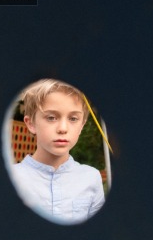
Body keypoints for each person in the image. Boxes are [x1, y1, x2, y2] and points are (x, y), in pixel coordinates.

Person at [10, 79, 105, 225]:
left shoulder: (91, 177)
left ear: (82, 125)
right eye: (51, 117)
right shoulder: (11, 178)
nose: (63, 128)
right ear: (31, 124)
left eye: (73, 118)